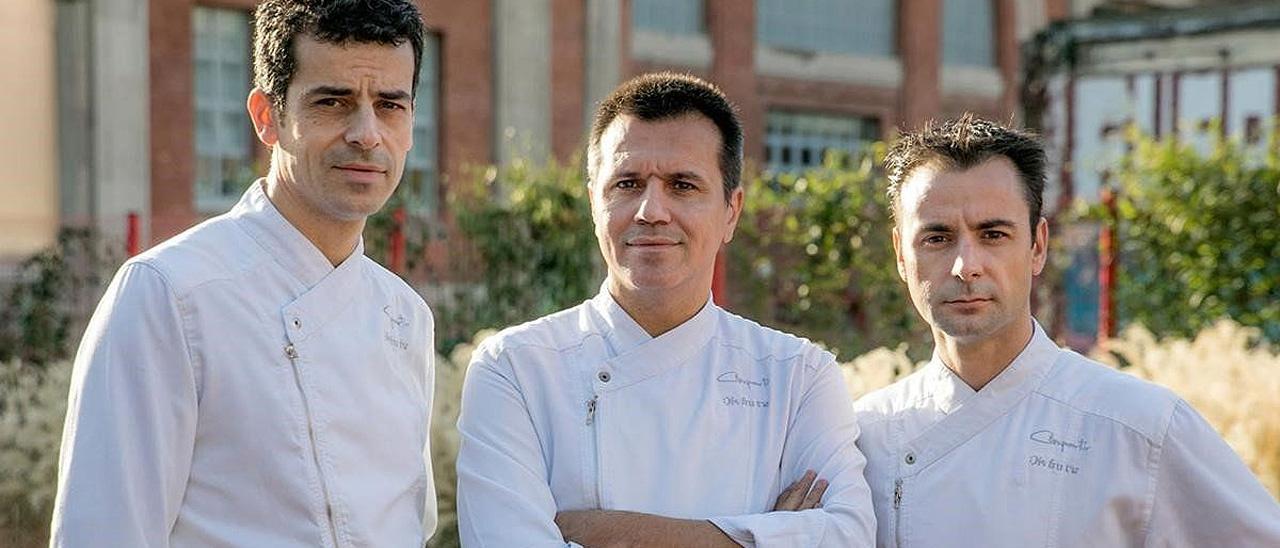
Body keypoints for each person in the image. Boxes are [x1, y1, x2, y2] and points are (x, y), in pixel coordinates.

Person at [50, 1, 438, 545]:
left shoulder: (405, 318)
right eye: (333, 101)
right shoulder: (169, 295)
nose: (367, 134)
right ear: (267, 117)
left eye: (390, 105)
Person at [454, 71, 875, 547]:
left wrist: (609, 534)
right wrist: (763, 537)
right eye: (628, 184)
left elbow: (847, 535)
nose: (651, 210)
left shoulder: (797, 375)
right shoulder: (516, 368)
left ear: (731, 212)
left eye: (683, 186)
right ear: (594, 201)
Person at [854, 115, 1280, 546]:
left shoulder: (1138, 426)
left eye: (993, 234)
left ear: (1037, 246)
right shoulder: (862, 438)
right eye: (937, 238)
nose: (967, 266)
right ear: (900, 255)